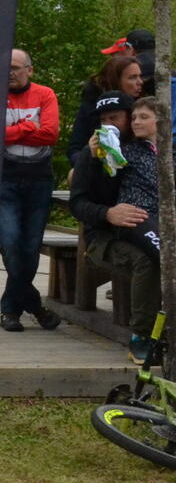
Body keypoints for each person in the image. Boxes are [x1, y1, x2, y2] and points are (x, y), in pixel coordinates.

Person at [0, 48, 63, 332]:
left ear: (29, 70)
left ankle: (10, 310)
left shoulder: (45, 94)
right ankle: (36, 306)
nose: (10, 73)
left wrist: (12, 132)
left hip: (39, 180)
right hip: (4, 180)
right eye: (6, 68)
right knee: (11, 242)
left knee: (30, 248)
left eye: (15, 67)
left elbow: (50, 133)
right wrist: (27, 127)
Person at [110, 96, 167, 362]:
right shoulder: (126, 150)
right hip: (135, 218)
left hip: (165, 220)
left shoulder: (170, 151)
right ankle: (140, 337)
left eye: (144, 117)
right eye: (133, 117)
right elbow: (90, 171)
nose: (136, 122)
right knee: (165, 258)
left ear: (160, 120)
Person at [67, 51, 143, 159]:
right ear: (115, 80)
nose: (140, 82)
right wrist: (89, 156)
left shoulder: (143, 106)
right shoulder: (91, 107)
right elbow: (75, 150)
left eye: (140, 76)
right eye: (132, 77)